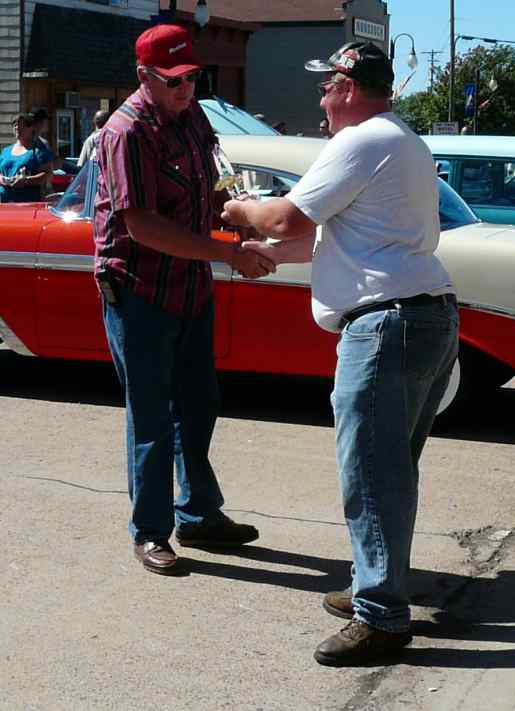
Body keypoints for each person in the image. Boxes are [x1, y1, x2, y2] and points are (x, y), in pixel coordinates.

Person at [222, 41, 459, 666]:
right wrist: (270, 255)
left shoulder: (360, 140)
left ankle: (380, 615)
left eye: (327, 87)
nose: (322, 99)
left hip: (386, 326)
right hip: (422, 316)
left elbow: (285, 219)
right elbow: (335, 237)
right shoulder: (402, 140)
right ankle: (374, 585)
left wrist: (240, 210)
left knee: (371, 475)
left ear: (349, 87)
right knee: (390, 470)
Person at [94, 24, 275, 576]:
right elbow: (143, 226)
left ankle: (197, 514)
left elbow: (213, 186)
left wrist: (239, 217)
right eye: (173, 80)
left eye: (193, 76)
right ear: (143, 76)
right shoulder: (126, 132)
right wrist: (227, 253)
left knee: (198, 405)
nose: (186, 88)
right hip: (140, 290)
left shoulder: (193, 117)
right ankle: (151, 532)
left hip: (189, 285)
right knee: (151, 416)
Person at [0, 113, 54, 203]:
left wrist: (26, 180)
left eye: (21, 125)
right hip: (3, 203)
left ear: (31, 128)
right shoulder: (6, 151)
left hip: (27, 204)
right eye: (15, 125)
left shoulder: (38, 150)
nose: (17, 128)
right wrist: (2, 179)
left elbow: (48, 175)